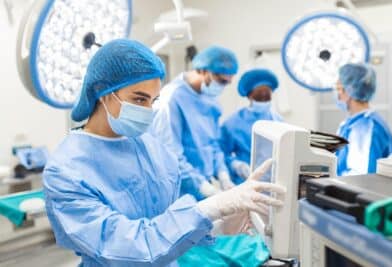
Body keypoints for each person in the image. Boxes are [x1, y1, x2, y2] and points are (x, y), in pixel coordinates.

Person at [42, 39, 285, 267]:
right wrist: (212, 207)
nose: (148, 111)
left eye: (152, 100)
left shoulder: (151, 148)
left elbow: (169, 223)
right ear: (102, 91)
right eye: (139, 99)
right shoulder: (66, 171)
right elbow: (133, 248)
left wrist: (217, 224)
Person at [150, 46, 239, 200]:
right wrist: (203, 187)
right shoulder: (171, 99)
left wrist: (223, 175)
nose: (223, 86)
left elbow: (213, 144)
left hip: (203, 185)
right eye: (221, 81)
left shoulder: (210, 101)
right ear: (204, 71)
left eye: (228, 83)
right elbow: (171, 156)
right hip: (179, 191)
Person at [334, 63, 392, 176]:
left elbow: (359, 179)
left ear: (349, 91)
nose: (337, 95)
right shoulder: (351, 123)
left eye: (339, 89)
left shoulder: (366, 127)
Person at [220, 68, 282, 184]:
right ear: (249, 96)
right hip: (244, 181)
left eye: (266, 97)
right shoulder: (233, 123)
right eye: (259, 97)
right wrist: (235, 165)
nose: (263, 100)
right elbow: (220, 153)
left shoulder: (277, 120)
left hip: (273, 182)